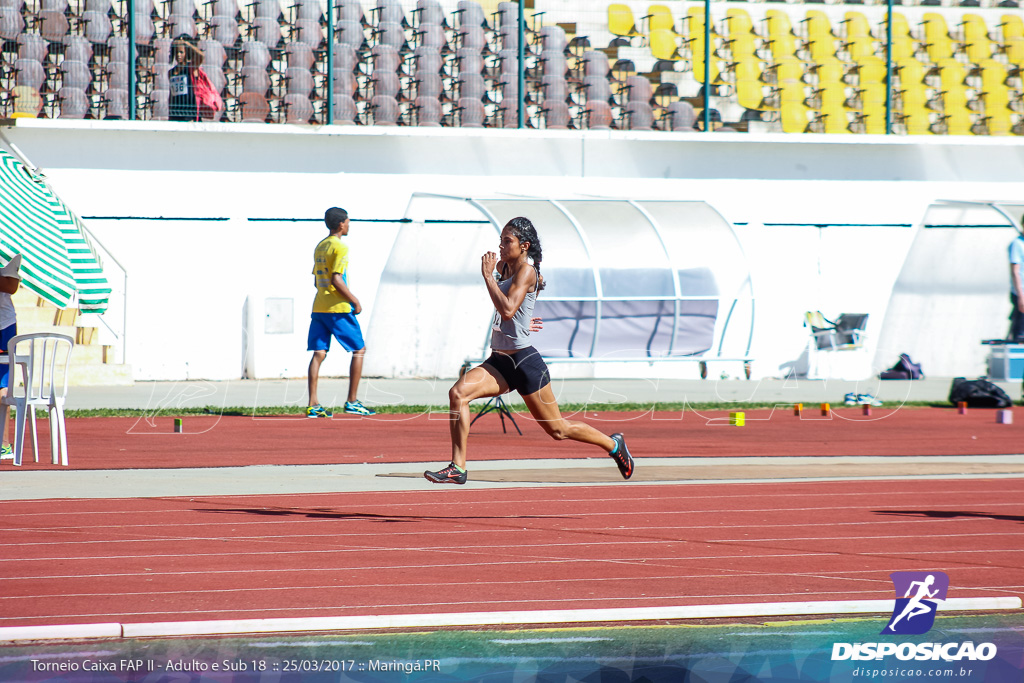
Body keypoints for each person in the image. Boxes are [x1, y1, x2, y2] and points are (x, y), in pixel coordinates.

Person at [424, 217, 635, 485]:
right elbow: (515, 311)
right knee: (458, 393)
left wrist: (488, 278)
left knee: (558, 430)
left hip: (525, 364)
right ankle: (458, 466)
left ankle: (614, 445)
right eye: (500, 240)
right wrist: (523, 320)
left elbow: (508, 308)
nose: (500, 246)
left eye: (506, 241)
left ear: (523, 245)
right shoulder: (505, 267)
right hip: (500, 361)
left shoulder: (526, 271)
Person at [306, 207, 376, 418]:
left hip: (319, 306)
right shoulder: (340, 247)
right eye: (348, 221)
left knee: (319, 353)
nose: (349, 225)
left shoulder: (321, 246)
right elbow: (337, 278)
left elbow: (316, 278)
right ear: (341, 224)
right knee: (359, 349)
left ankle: (313, 404)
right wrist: (354, 300)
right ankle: (352, 401)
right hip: (338, 309)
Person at [0, 254, 21, 460]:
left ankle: (3, 444)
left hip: (3, 326)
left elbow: (10, 286)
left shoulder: (8, 247)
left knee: (1, 386)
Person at [1009, 227, 1024, 342]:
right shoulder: (1017, 244)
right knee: (1019, 331)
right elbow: (1015, 271)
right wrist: (1020, 295)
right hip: (1021, 291)